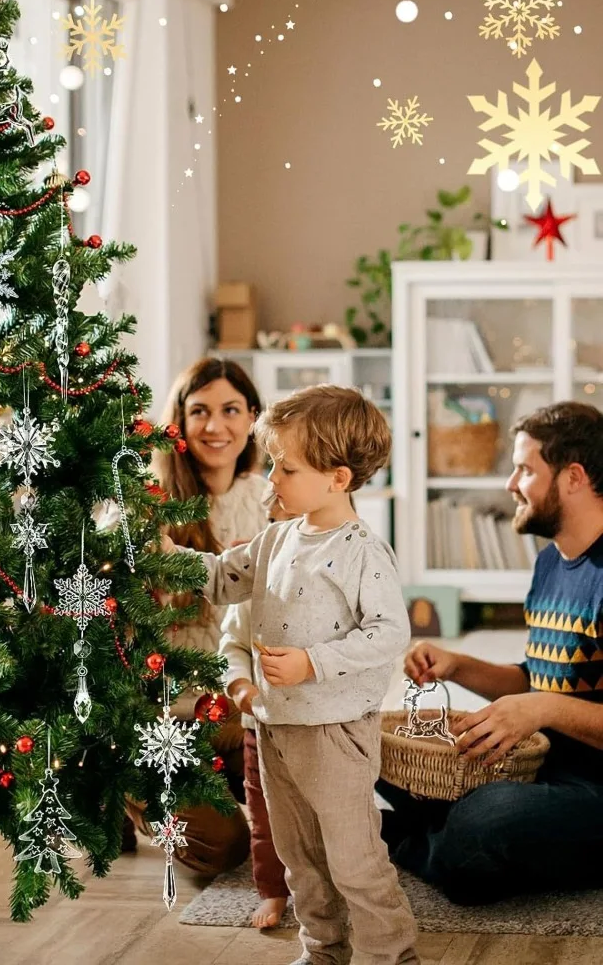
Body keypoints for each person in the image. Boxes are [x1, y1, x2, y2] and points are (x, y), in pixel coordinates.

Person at [164, 383, 419, 965]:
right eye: (273, 463)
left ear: (339, 478)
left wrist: (313, 662)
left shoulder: (362, 553)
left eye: (288, 467)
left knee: (354, 860)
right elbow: (222, 579)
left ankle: (391, 955)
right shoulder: (277, 537)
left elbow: (388, 634)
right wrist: (163, 552)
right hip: (275, 729)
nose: (272, 478)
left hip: (335, 733)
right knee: (298, 854)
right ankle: (324, 949)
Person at [380, 401, 603, 905]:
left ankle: (399, 839)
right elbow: (542, 677)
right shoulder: (551, 564)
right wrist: (459, 666)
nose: (510, 483)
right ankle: (437, 831)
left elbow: (546, 700)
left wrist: (543, 709)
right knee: (372, 751)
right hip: (540, 768)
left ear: (573, 477)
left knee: (484, 821)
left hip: (593, 790)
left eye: (525, 469)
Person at [125, 356, 289, 930]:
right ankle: (131, 785)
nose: (215, 426)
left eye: (230, 411)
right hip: (167, 701)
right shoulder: (148, 502)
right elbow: (139, 614)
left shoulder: (272, 497)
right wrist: (228, 567)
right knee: (221, 847)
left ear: (252, 420)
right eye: (199, 412)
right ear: (180, 420)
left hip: (239, 691)